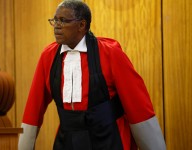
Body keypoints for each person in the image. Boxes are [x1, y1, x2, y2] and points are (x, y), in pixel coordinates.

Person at [18, 0, 166, 150]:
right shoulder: (48, 56)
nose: (56, 25)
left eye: (63, 20)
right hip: (67, 140)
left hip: (109, 138)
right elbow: (33, 108)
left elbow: (137, 105)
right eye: (55, 20)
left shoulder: (110, 53)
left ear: (82, 25)